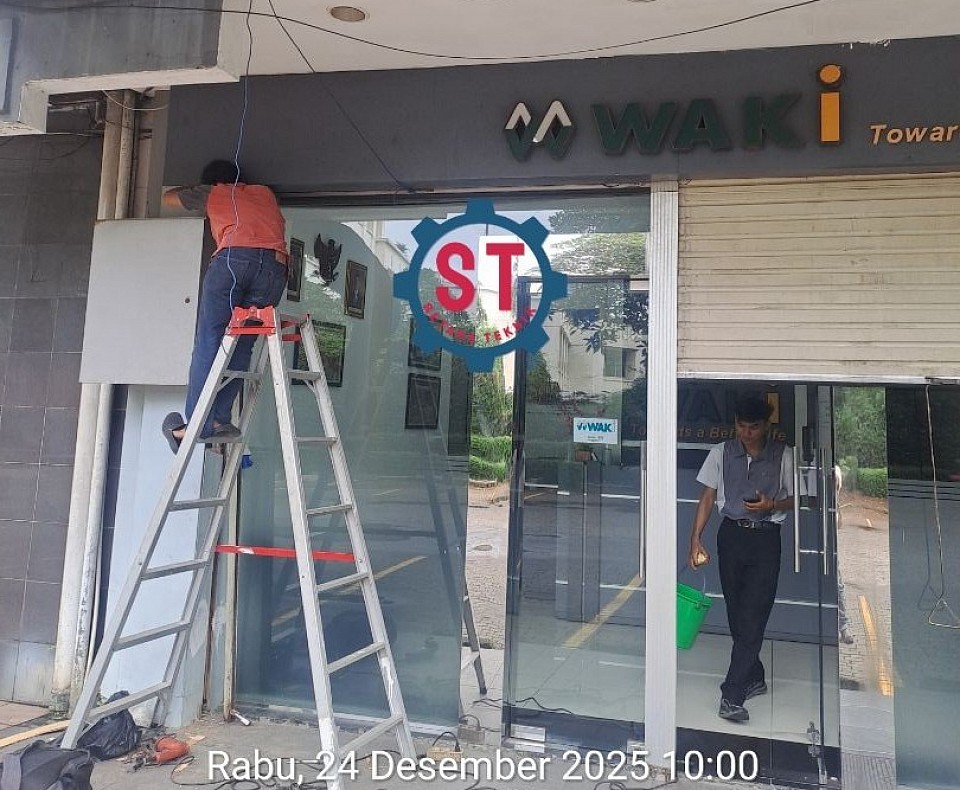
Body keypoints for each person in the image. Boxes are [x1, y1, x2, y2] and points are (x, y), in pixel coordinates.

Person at [160, 160, 289, 452]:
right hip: (275, 268)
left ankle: (197, 425)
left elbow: (167, 198)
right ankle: (219, 418)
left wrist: (196, 189)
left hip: (233, 261)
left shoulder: (215, 192)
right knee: (242, 345)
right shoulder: (265, 193)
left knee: (210, 341)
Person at [688, 393, 795, 723]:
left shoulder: (784, 455)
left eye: (754, 427)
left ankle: (731, 695)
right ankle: (755, 675)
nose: (747, 433)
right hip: (731, 535)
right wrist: (695, 539)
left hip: (766, 539)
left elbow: (798, 499)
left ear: (766, 426)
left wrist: (771, 505)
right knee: (737, 612)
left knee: (753, 614)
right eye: (742, 426)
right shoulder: (721, 453)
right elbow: (708, 496)